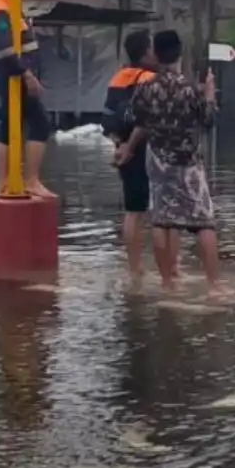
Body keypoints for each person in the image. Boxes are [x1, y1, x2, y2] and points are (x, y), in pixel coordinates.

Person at [117, 30, 223, 295]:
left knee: (161, 221)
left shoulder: (145, 88)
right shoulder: (189, 89)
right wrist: (209, 93)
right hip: (187, 164)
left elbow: (137, 120)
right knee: (204, 223)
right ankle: (215, 286)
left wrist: (128, 149)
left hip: (158, 162)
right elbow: (208, 121)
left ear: (157, 53)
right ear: (179, 53)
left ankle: (167, 283)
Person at [0, 0, 54, 199]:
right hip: (13, 79)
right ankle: (31, 180)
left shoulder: (12, 8)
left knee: (9, 127)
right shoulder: (2, 11)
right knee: (40, 123)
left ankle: (4, 182)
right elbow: (2, 47)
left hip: (15, 78)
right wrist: (26, 75)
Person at [104, 29, 155, 281]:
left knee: (132, 210)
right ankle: (169, 267)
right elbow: (147, 120)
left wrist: (120, 145)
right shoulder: (151, 79)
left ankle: (135, 267)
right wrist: (132, 146)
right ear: (146, 52)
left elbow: (108, 118)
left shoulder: (117, 78)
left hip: (122, 149)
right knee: (157, 210)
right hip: (146, 149)